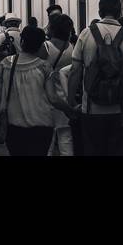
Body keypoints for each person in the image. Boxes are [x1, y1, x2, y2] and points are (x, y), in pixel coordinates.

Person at [66, 0, 123, 156]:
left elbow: (75, 70)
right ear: (119, 12)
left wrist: (70, 101)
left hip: (91, 110)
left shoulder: (86, 34)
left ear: (99, 11)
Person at [0, 25, 58, 156]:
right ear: (41, 45)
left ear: (22, 42)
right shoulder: (45, 67)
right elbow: (52, 98)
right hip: (42, 126)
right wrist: (69, 109)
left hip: (14, 126)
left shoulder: (5, 64)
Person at [43, 13, 76, 156]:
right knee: (66, 137)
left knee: (48, 139)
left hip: (47, 96)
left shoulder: (46, 47)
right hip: (65, 95)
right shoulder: (71, 47)